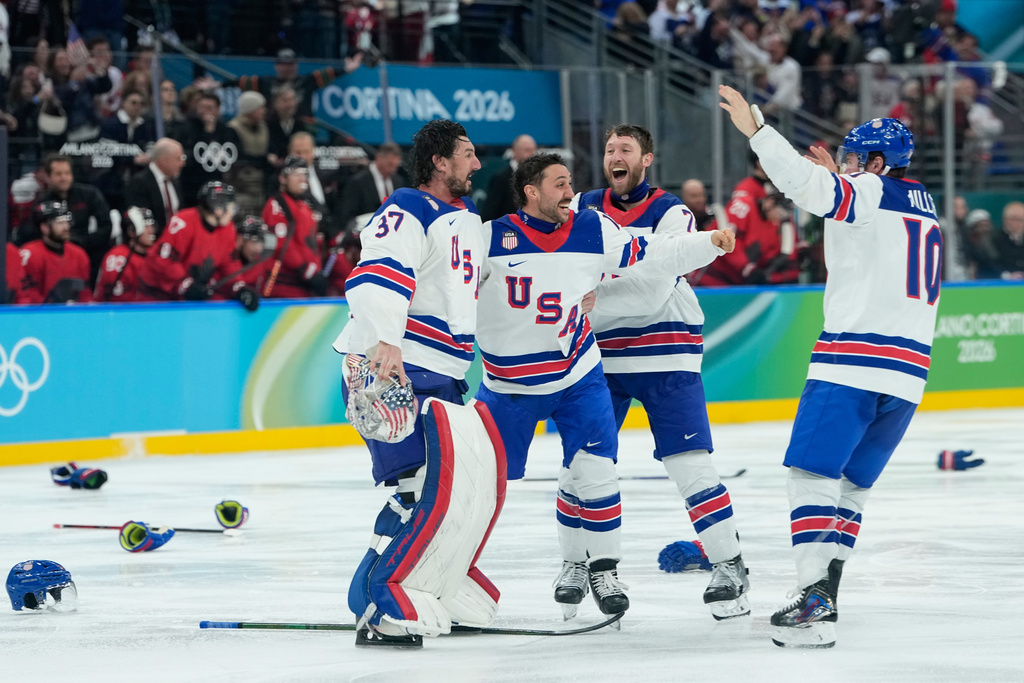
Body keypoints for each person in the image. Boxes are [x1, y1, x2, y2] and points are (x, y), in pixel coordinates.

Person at [719, 85, 943, 648]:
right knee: (851, 490)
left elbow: (803, 186)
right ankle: (828, 592)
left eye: (853, 158)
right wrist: (842, 184)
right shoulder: (924, 206)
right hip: (908, 375)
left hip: (854, 363)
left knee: (809, 476)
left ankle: (813, 593)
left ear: (875, 163)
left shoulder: (870, 189)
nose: (844, 165)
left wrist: (757, 131)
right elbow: (855, 222)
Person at [477, 152, 735, 619]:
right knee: (485, 484)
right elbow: (447, 288)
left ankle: (606, 568)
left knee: (600, 470)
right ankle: (487, 568)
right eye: (559, 184)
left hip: (589, 372)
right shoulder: (490, 238)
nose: (569, 191)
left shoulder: (597, 225)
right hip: (510, 383)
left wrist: (709, 244)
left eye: (570, 182)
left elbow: (659, 259)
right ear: (531, 191)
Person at [332, 119, 500, 647]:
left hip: (442, 373)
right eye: (467, 154)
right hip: (393, 367)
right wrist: (385, 340)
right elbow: (374, 275)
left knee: (459, 488)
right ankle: (379, 598)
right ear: (440, 163)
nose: (477, 164)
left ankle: (432, 582)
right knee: (417, 489)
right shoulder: (406, 210)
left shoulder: (467, 219)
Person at [572, 126, 750, 620]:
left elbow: (653, 288)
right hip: (600, 357)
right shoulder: (584, 205)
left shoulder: (672, 211)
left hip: (666, 353)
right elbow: (568, 270)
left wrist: (597, 292)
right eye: (609, 150)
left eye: (625, 150)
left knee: (689, 464)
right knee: (581, 466)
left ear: (646, 159)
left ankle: (730, 565)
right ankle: (588, 567)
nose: (615, 156)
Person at [138, 181, 258, 311]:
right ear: (217, 209)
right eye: (232, 207)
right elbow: (164, 262)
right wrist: (186, 286)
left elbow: (229, 264)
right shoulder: (183, 222)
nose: (233, 213)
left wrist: (240, 288)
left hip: (186, 299)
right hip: (156, 298)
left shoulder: (228, 229)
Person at [37, 154, 113, 284]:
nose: (64, 178)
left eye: (67, 173)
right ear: (48, 177)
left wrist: (81, 242)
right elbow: (37, 232)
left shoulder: (90, 194)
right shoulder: (43, 202)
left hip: (90, 253)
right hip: (54, 255)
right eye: (58, 174)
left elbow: (106, 227)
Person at [260, 156, 329, 298]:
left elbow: (310, 243)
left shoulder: (305, 207)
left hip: (305, 286)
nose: (302, 179)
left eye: (304, 174)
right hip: (283, 287)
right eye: (296, 174)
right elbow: (282, 246)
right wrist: (307, 271)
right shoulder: (277, 205)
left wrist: (316, 270)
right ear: (283, 178)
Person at [18, 201, 93, 304]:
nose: (66, 227)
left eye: (66, 221)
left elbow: (85, 293)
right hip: (42, 316)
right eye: (60, 222)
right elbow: (29, 294)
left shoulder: (79, 254)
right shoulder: (30, 254)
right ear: (44, 227)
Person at [336, 142, 407, 235]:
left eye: (395, 166)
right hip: (364, 235)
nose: (393, 169)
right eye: (390, 164)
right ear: (379, 158)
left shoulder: (398, 182)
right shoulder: (358, 181)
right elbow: (348, 214)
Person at [94, 207, 158, 302]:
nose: (151, 231)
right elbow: (117, 299)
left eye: (152, 226)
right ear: (132, 231)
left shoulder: (155, 255)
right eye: (146, 226)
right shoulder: (117, 257)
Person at [125, 138, 186, 234]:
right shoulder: (139, 183)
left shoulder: (175, 181)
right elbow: (143, 222)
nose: (182, 163)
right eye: (178, 159)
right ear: (164, 161)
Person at [481, 134, 537, 222]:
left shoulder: (537, 177)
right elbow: (489, 213)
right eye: (527, 150)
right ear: (515, 151)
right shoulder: (500, 179)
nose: (531, 154)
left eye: (533, 150)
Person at [995, 201, 1024, 279]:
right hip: (999, 283)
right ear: (1006, 220)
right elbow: (989, 262)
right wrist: (1007, 275)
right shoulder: (993, 238)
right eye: (1018, 219)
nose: (1021, 223)